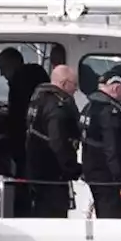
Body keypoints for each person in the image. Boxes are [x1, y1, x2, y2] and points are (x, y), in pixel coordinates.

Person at [0, 48, 51, 216]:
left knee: (24, 180)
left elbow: (18, 115)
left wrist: (1, 128)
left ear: (13, 64)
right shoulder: (36, 76)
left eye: (3, 68)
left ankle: (22, 212)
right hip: (40, 143)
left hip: (25, 143)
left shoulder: (19, 81)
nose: (2, 74)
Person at [80, 69, 121, 219]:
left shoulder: (89, 107)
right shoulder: (109, 112)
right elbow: (112, 149)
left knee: (105, 213)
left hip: (94, 173)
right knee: (113, 217)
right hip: (108, 178)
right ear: (115, 87)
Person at [24, 64, 82, 218]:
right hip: (52, 173)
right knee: (53, 215)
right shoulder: (57, 107)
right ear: (63, 84)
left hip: (35, 168)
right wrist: (73, 168)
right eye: (74, 85)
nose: (76, 90)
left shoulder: (39, 99)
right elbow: (58, 142)